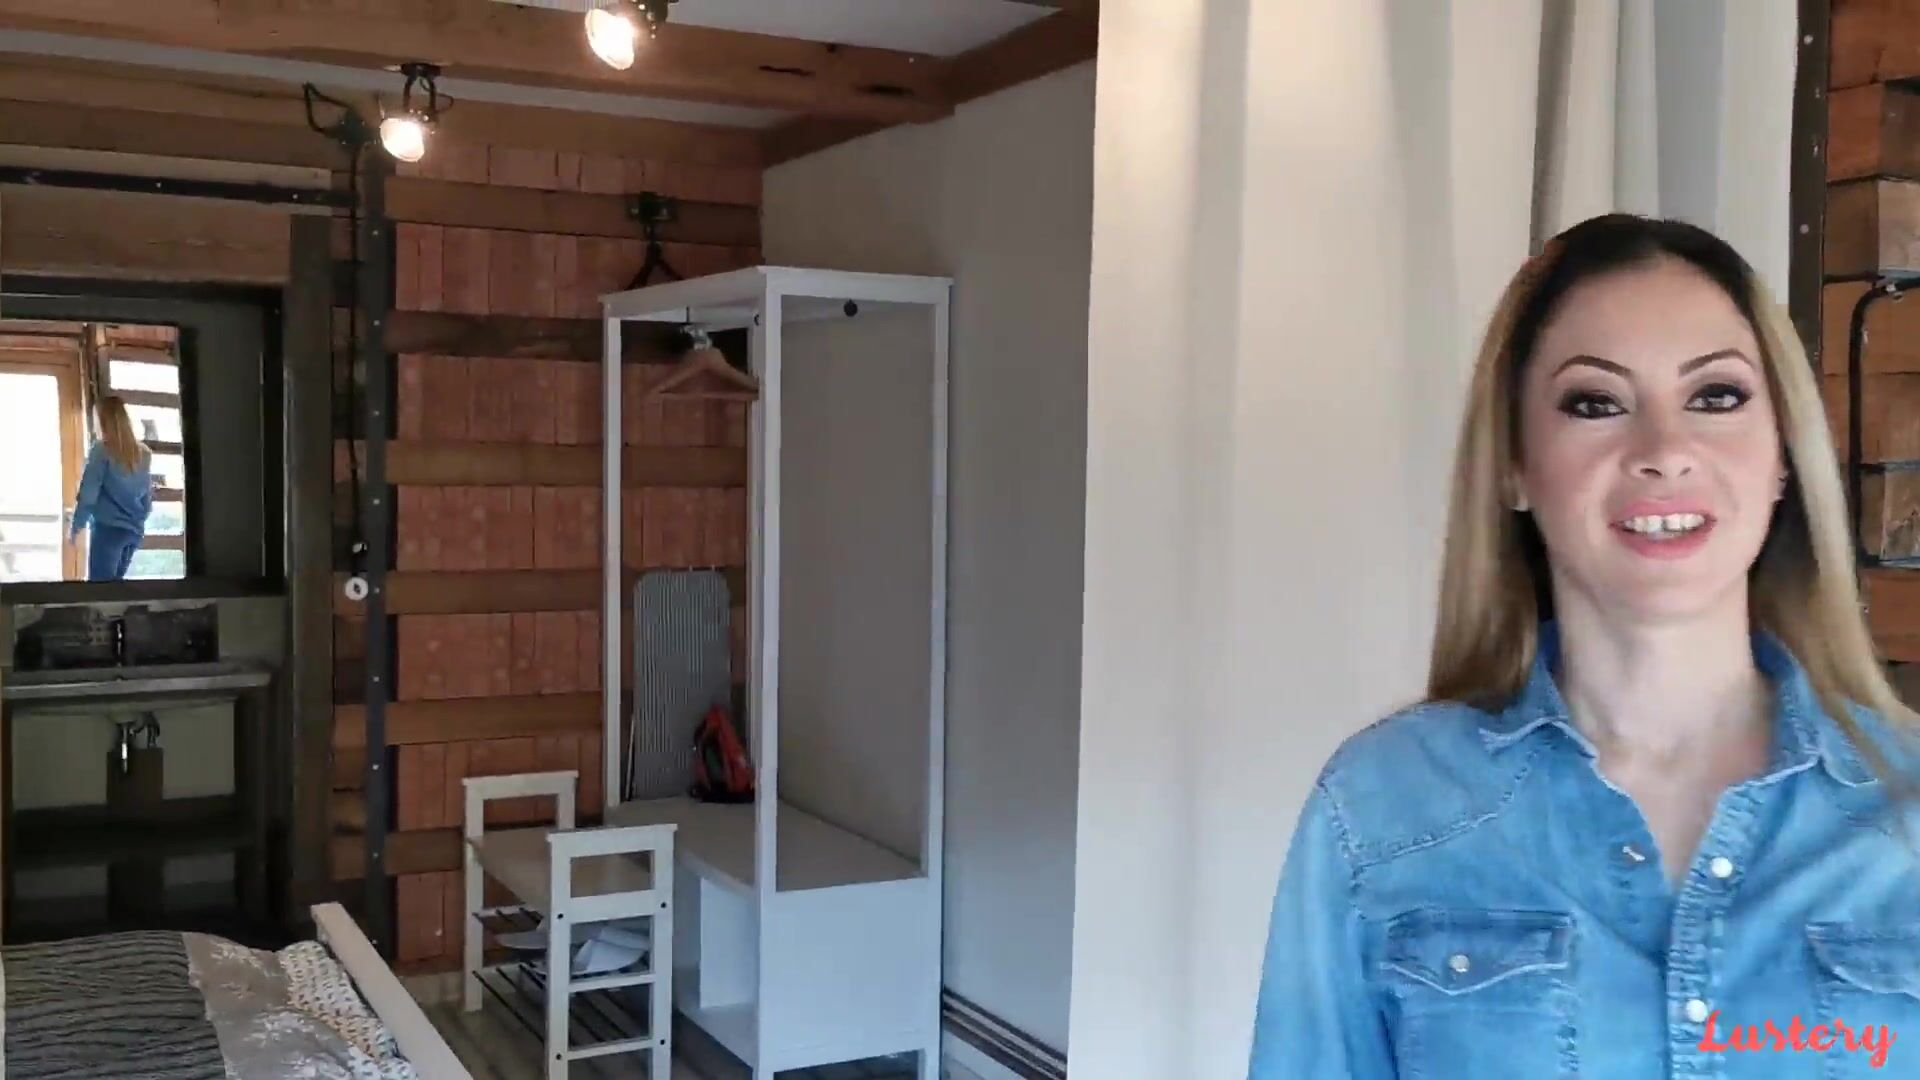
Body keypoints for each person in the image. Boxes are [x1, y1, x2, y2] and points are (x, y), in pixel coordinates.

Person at [1248, 214, 1920, 1079]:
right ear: (1515, 465)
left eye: (1716, 396)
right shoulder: (1380, 809)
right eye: (1596, 403)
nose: (1665, 452)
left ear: (1784, 456)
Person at [70, 394, 155, 582]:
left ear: (101, 421)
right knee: (115, 590)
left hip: (108, 530)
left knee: (101, 591)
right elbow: (147, 500)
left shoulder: (101, 450)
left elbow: (88, 494)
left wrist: (76, 525)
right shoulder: (143, 454)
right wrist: (137, 523)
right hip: (133, 533)